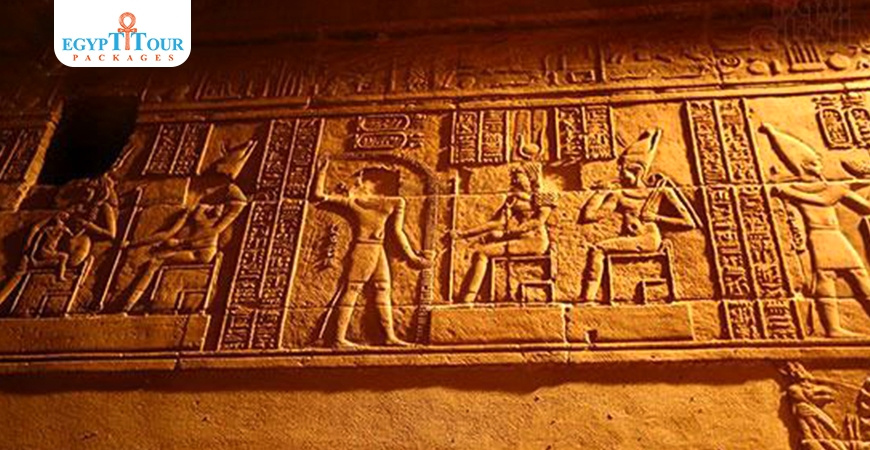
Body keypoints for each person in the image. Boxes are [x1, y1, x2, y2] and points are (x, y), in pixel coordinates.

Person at [761, 123, 870, 337]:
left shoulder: (819, 188)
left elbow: (863, 207)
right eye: (816, 162)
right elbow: (822, 200)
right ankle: (833, 328)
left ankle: (834, 327)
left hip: (833, 235)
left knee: (856, 274)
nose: (820, 165)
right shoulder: (807, 189)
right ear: (807, 165)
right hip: (819, 235)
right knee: (827, 277)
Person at [312, 158, 433, 348]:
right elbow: (318, 196)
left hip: (377, 249)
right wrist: (321, 173)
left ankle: (389, 337)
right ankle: (338, 338)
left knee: (382, 289)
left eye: (360, 181)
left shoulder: (393, 202)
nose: (357, 185)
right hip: (364, 248)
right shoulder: (356, 202)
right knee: (353, 289)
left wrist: (412, 256)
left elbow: (398, 232)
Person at [579, 128, 697, 303]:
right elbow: (589, 216)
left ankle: (588, 298)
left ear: (638, 172)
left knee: (599, 249)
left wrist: (657, 218)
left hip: (648, 238)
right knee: (598, 248)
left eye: (624, 170)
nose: (620, 174)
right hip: (631, 237)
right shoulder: (619, 195)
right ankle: (588, 297)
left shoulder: (660, 191)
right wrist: (600, 193)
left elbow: (689, 222)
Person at [451, 162, 555, 304]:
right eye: (514, 178)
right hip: (519, 239)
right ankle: (470, 295)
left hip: (535, 241)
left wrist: (509, 233)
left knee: (483, 253)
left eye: (519, 176)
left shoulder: (544, 197)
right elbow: (497, 222)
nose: (515, 180)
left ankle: (470, 297)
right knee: (484, 248)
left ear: (530, 177)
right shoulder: (513, 199)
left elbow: (537, 222)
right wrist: (464, 233)